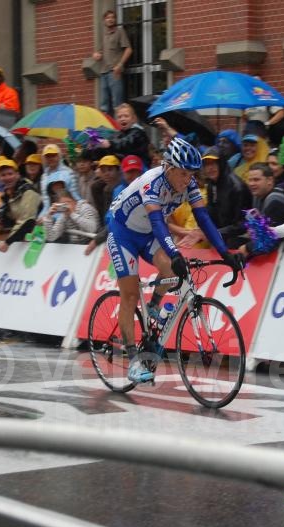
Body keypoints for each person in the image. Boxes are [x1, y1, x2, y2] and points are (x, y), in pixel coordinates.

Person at [106, 137, 242, 383]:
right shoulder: (151, 184)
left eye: (191, 174)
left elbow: (203, 219)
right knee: (130, 295)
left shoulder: (188, 184)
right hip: (123, 233)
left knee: (169, 266)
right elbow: (159, 224)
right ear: (168, 168)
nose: (187, 179)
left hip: (147, 232)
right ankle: (134, 362)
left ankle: (156, 307)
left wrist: (225, 253)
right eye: (182, 173)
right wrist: (175, 253)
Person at [0, 159, 42, 252]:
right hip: (20, 240)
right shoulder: (7, 194)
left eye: (10, 174)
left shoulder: (28, 191)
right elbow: (9, 221)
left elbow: (29, 222)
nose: (7, 177)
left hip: (37, 240)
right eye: (3, 175)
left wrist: (8, 242)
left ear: (17, 175)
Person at [92, 10, 132, 115]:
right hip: (103, 72)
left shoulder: (120, 31)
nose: (110, 19)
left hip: (114, 72)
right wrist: (96, 55)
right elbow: (100, 51)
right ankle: (106, 129)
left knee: (117, 104)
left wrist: (120, 65)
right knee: (104, 105)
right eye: (108, 18)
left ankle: (118, 129)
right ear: (104, 20)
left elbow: (128, 49)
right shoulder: (104, 35)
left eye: (112, 17)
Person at [39, 144, 80, 215]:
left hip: (66, 210)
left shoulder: (68, 172)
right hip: (49, 212)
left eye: (53, 155)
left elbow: (74, 193)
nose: (51, 158)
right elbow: (46, 199)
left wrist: (81, 203)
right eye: (48, 156)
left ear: (59, 156)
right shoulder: (44, 176)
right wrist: (43, 215)